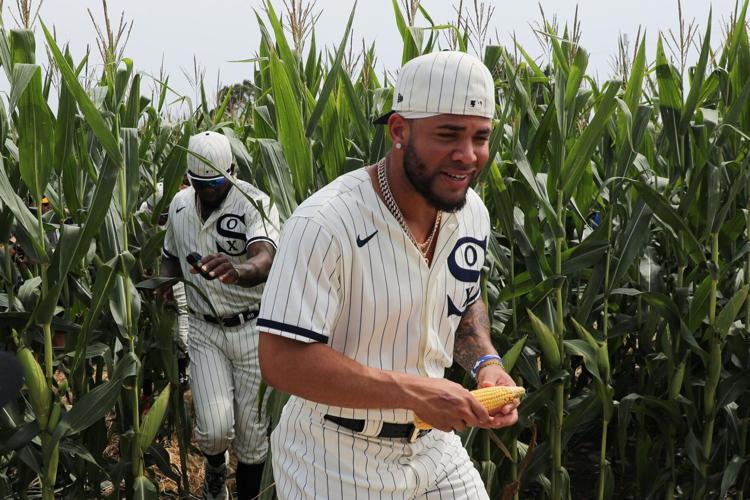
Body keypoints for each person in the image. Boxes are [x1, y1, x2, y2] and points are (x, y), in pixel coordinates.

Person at [258, 50, 521, 499]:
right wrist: (414, 392)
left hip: (435, 448)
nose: (468, 155)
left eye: (481, 137)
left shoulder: (470, 212)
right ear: (399, 130)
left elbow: (463, 293)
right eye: (448, 134)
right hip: (335, 455)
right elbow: (281, 360)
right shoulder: (325, 223)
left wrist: (486, 364)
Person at [159, 131, 279, 500]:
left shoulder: (254, 203)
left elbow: (266, 258)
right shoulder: (180, 206)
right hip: (204, 327)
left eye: (216, 183)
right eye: (200, 183)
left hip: (252, 329)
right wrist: (162, 283)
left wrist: (238, 270)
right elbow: (169, 255)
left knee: (253, 437)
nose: (208, 191)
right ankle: (214, 471)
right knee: (212, 430)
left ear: (231, 172)